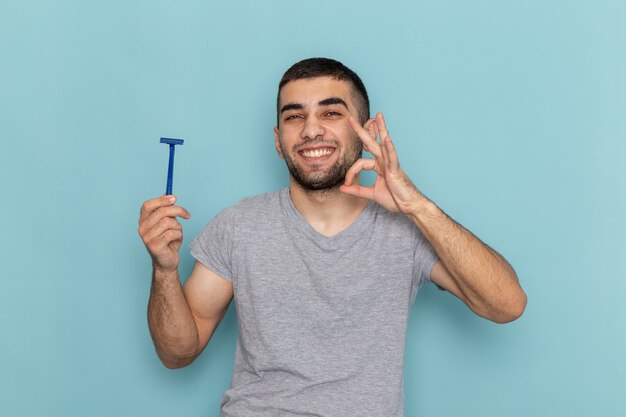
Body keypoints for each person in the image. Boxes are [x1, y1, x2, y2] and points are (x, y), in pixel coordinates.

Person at [138, 57, 527, 417]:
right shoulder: (238, 226)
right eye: (294, 117)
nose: (311, 130)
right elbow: (177, 354)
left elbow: (506, 305)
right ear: (278, 140)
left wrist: (418, 208)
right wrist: (164, 270)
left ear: (366, 130)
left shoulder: (406, 230)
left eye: (331, 112)